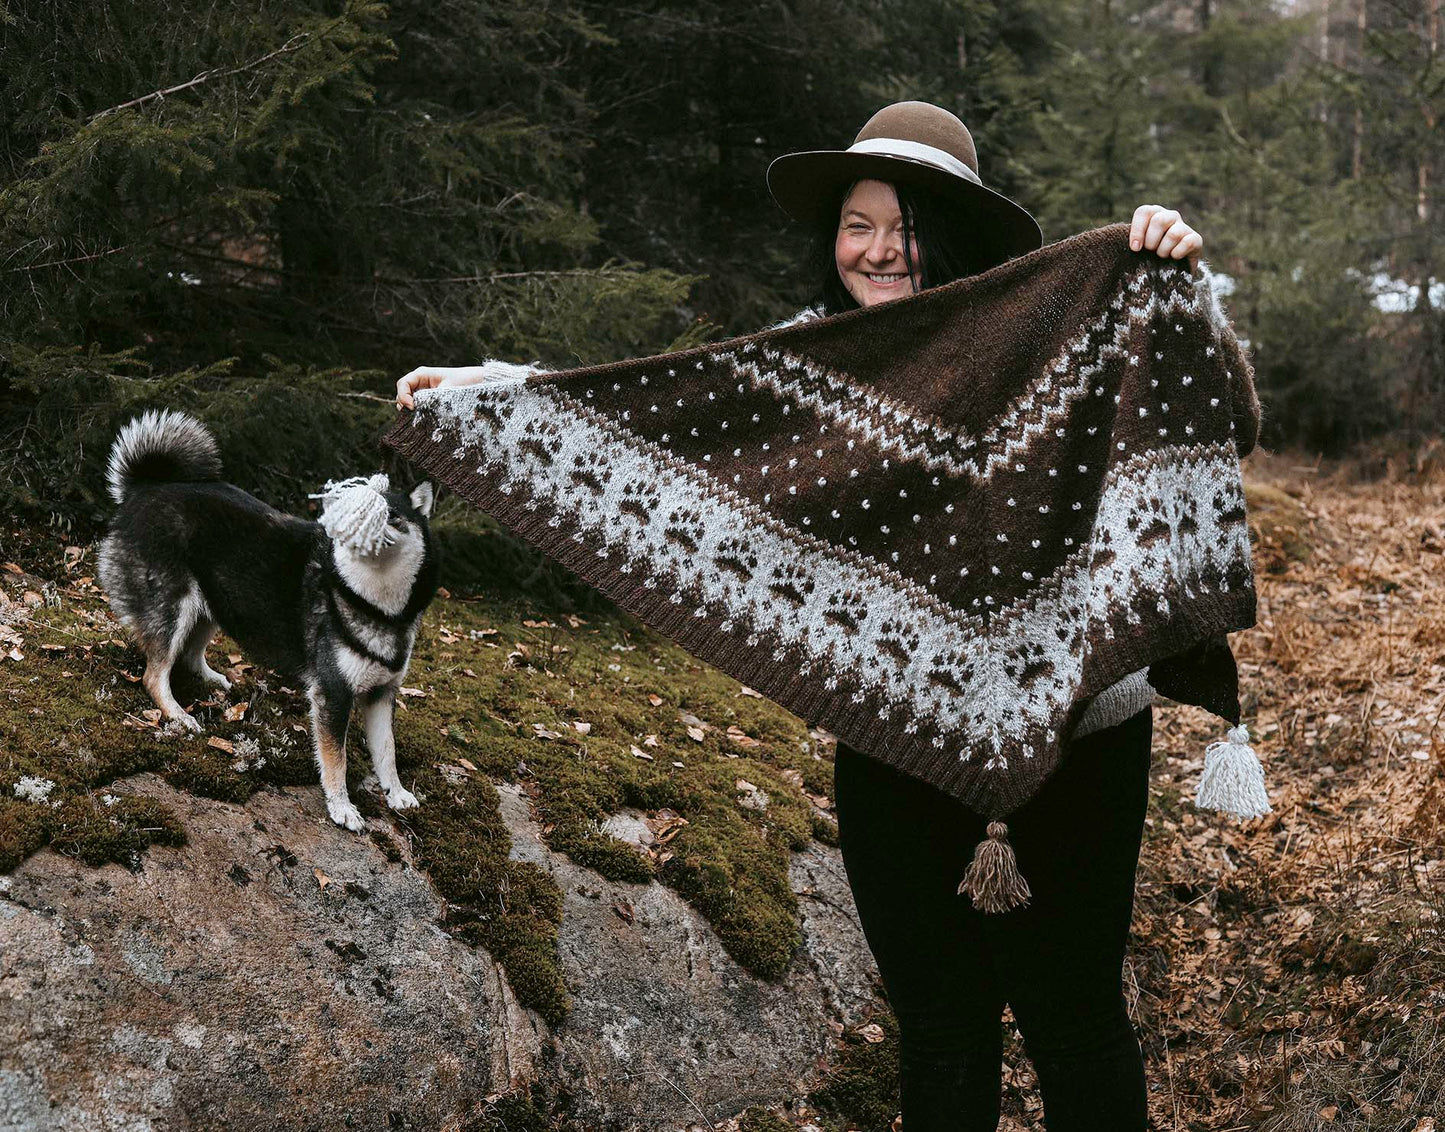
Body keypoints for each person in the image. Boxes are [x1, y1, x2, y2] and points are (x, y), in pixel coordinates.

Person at [396, 101, 1203, 1131]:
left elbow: (1208, 401)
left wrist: (1174, 275)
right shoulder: (809, 368)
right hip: (892, 736)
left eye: (903, 224)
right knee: (940, 1023)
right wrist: (485, 393)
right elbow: (660, 421)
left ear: (950, 233)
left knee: (1074, 1018)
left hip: (1077, 734)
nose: (877, 249)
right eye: (856, 224)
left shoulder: (1054, 330)